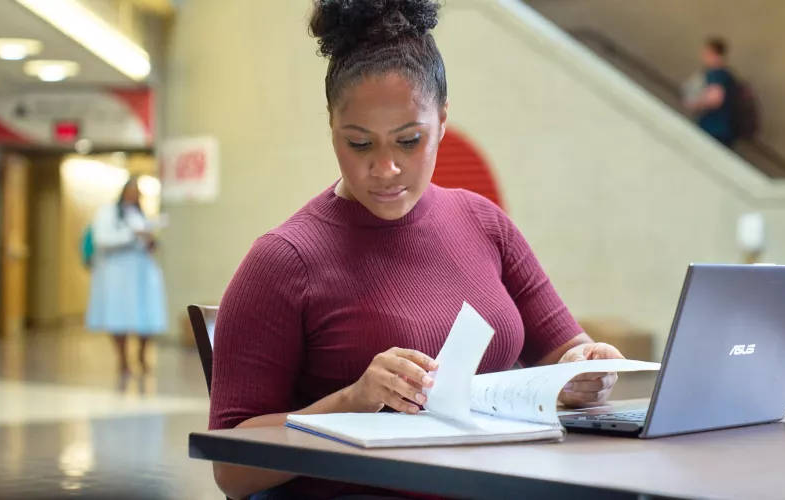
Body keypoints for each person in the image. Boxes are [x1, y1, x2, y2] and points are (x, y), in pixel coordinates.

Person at [209, 1, 626, 499]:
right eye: (359, 144)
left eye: (409, 141)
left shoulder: (483, 222)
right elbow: (230, 468)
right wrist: (352, 400)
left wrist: (587, 371)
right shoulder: (282, 261)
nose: (384, 169)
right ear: (331, 124)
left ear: (443, 119)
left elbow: (567, 353)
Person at [86, 176, 167, 376]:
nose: (134, 196)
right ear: (123, 192)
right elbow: (102, 239)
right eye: (131, 191)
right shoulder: (108, 212)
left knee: (146, 315)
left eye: (137, 192)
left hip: (141, 272)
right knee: (118, 315)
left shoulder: (139, 214)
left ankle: (142, 355)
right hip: (117, 274)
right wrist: (132, 235)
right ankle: (122, 359)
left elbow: (146, 240)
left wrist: (149, 240)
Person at [685, 37, 737, 148]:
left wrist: (694, 104)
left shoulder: (715, 74)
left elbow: (715, 98)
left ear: (712, 53)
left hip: (713, 128)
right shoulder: (728, 75)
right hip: (724, 129)